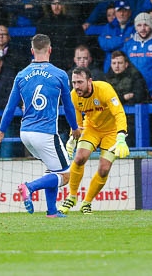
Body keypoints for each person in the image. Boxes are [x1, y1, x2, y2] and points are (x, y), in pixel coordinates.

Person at [0, 34, 80, 218]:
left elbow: (10, 105)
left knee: (51, 168)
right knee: (66, 175)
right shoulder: (60, 74)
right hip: (45, 133)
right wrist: (75, 127)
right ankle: (28, 187)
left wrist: (1, 131)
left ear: (32, 51)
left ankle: (52, 211)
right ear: (50, 50)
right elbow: (68, 106)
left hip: (25, 133)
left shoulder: (21, 75)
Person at [59, 66, 128, 215]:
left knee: (104, 169)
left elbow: (119, 113)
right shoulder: (73, 96)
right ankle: (72, 196)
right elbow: (77, 124)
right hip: (91, 129)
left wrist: (121, 136)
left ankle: (87, 202)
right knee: (79, 158)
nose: (76, 86)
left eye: (80, 82)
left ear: (90, 81)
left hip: (111, 132)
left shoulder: (104, 89)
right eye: (74, 82)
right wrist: (73, 138)